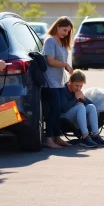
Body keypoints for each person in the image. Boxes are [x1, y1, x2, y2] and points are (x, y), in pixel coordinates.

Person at [42, 16, 74, 149]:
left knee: (59, 109)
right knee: (54, 109)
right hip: (50, 81)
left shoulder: (62, 42)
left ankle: (57, 137)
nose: (65, 33)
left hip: (60, 81)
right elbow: (50, 60)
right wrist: (65, 64)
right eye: (64, 30)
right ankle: (48, 139)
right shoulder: (50, 41)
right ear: (57, 26)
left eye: (68, 31)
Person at [60, 69, 104, 148]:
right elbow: (62, 109)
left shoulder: (77, 91)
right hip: (63, 117)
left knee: (91, 107)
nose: (79, 88)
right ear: (69, 81)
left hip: (74, 116)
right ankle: (85, 136)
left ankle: (95, 135)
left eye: (81, 86)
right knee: (80, 106)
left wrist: (83, 98)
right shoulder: (63, 89)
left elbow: (92, 104)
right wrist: (76, 99)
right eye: (76, 85)